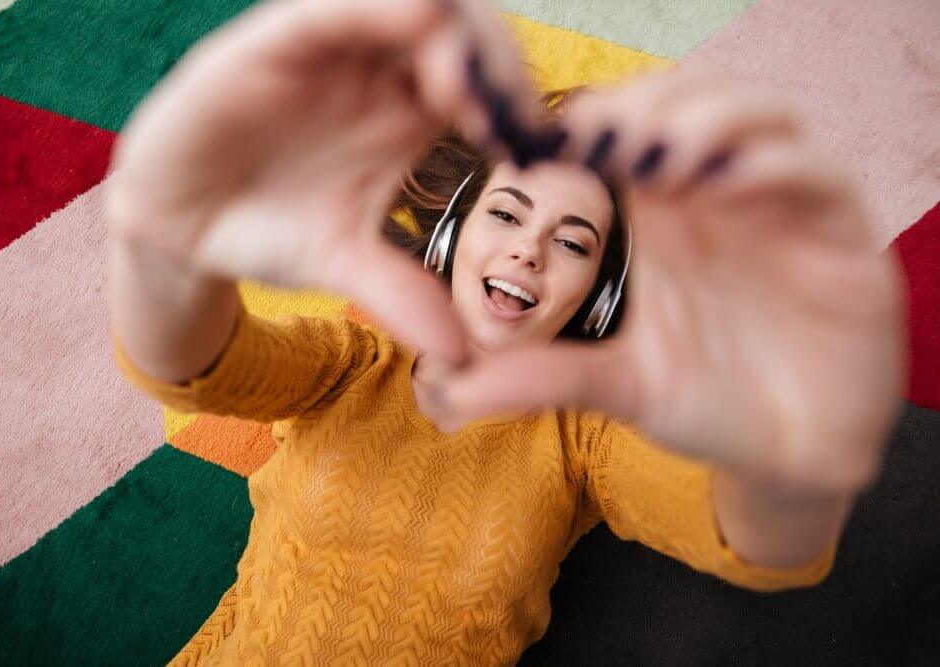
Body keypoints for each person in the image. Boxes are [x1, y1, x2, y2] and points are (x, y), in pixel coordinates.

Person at [106, 0, 906, 663]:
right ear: (452, 237)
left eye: (571, 241)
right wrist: (159, 242)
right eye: (507, 213)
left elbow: (753, 530)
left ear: (599, 296)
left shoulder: (586, 432)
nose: (528, 246)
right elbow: (194, 365)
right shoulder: (349, 368)